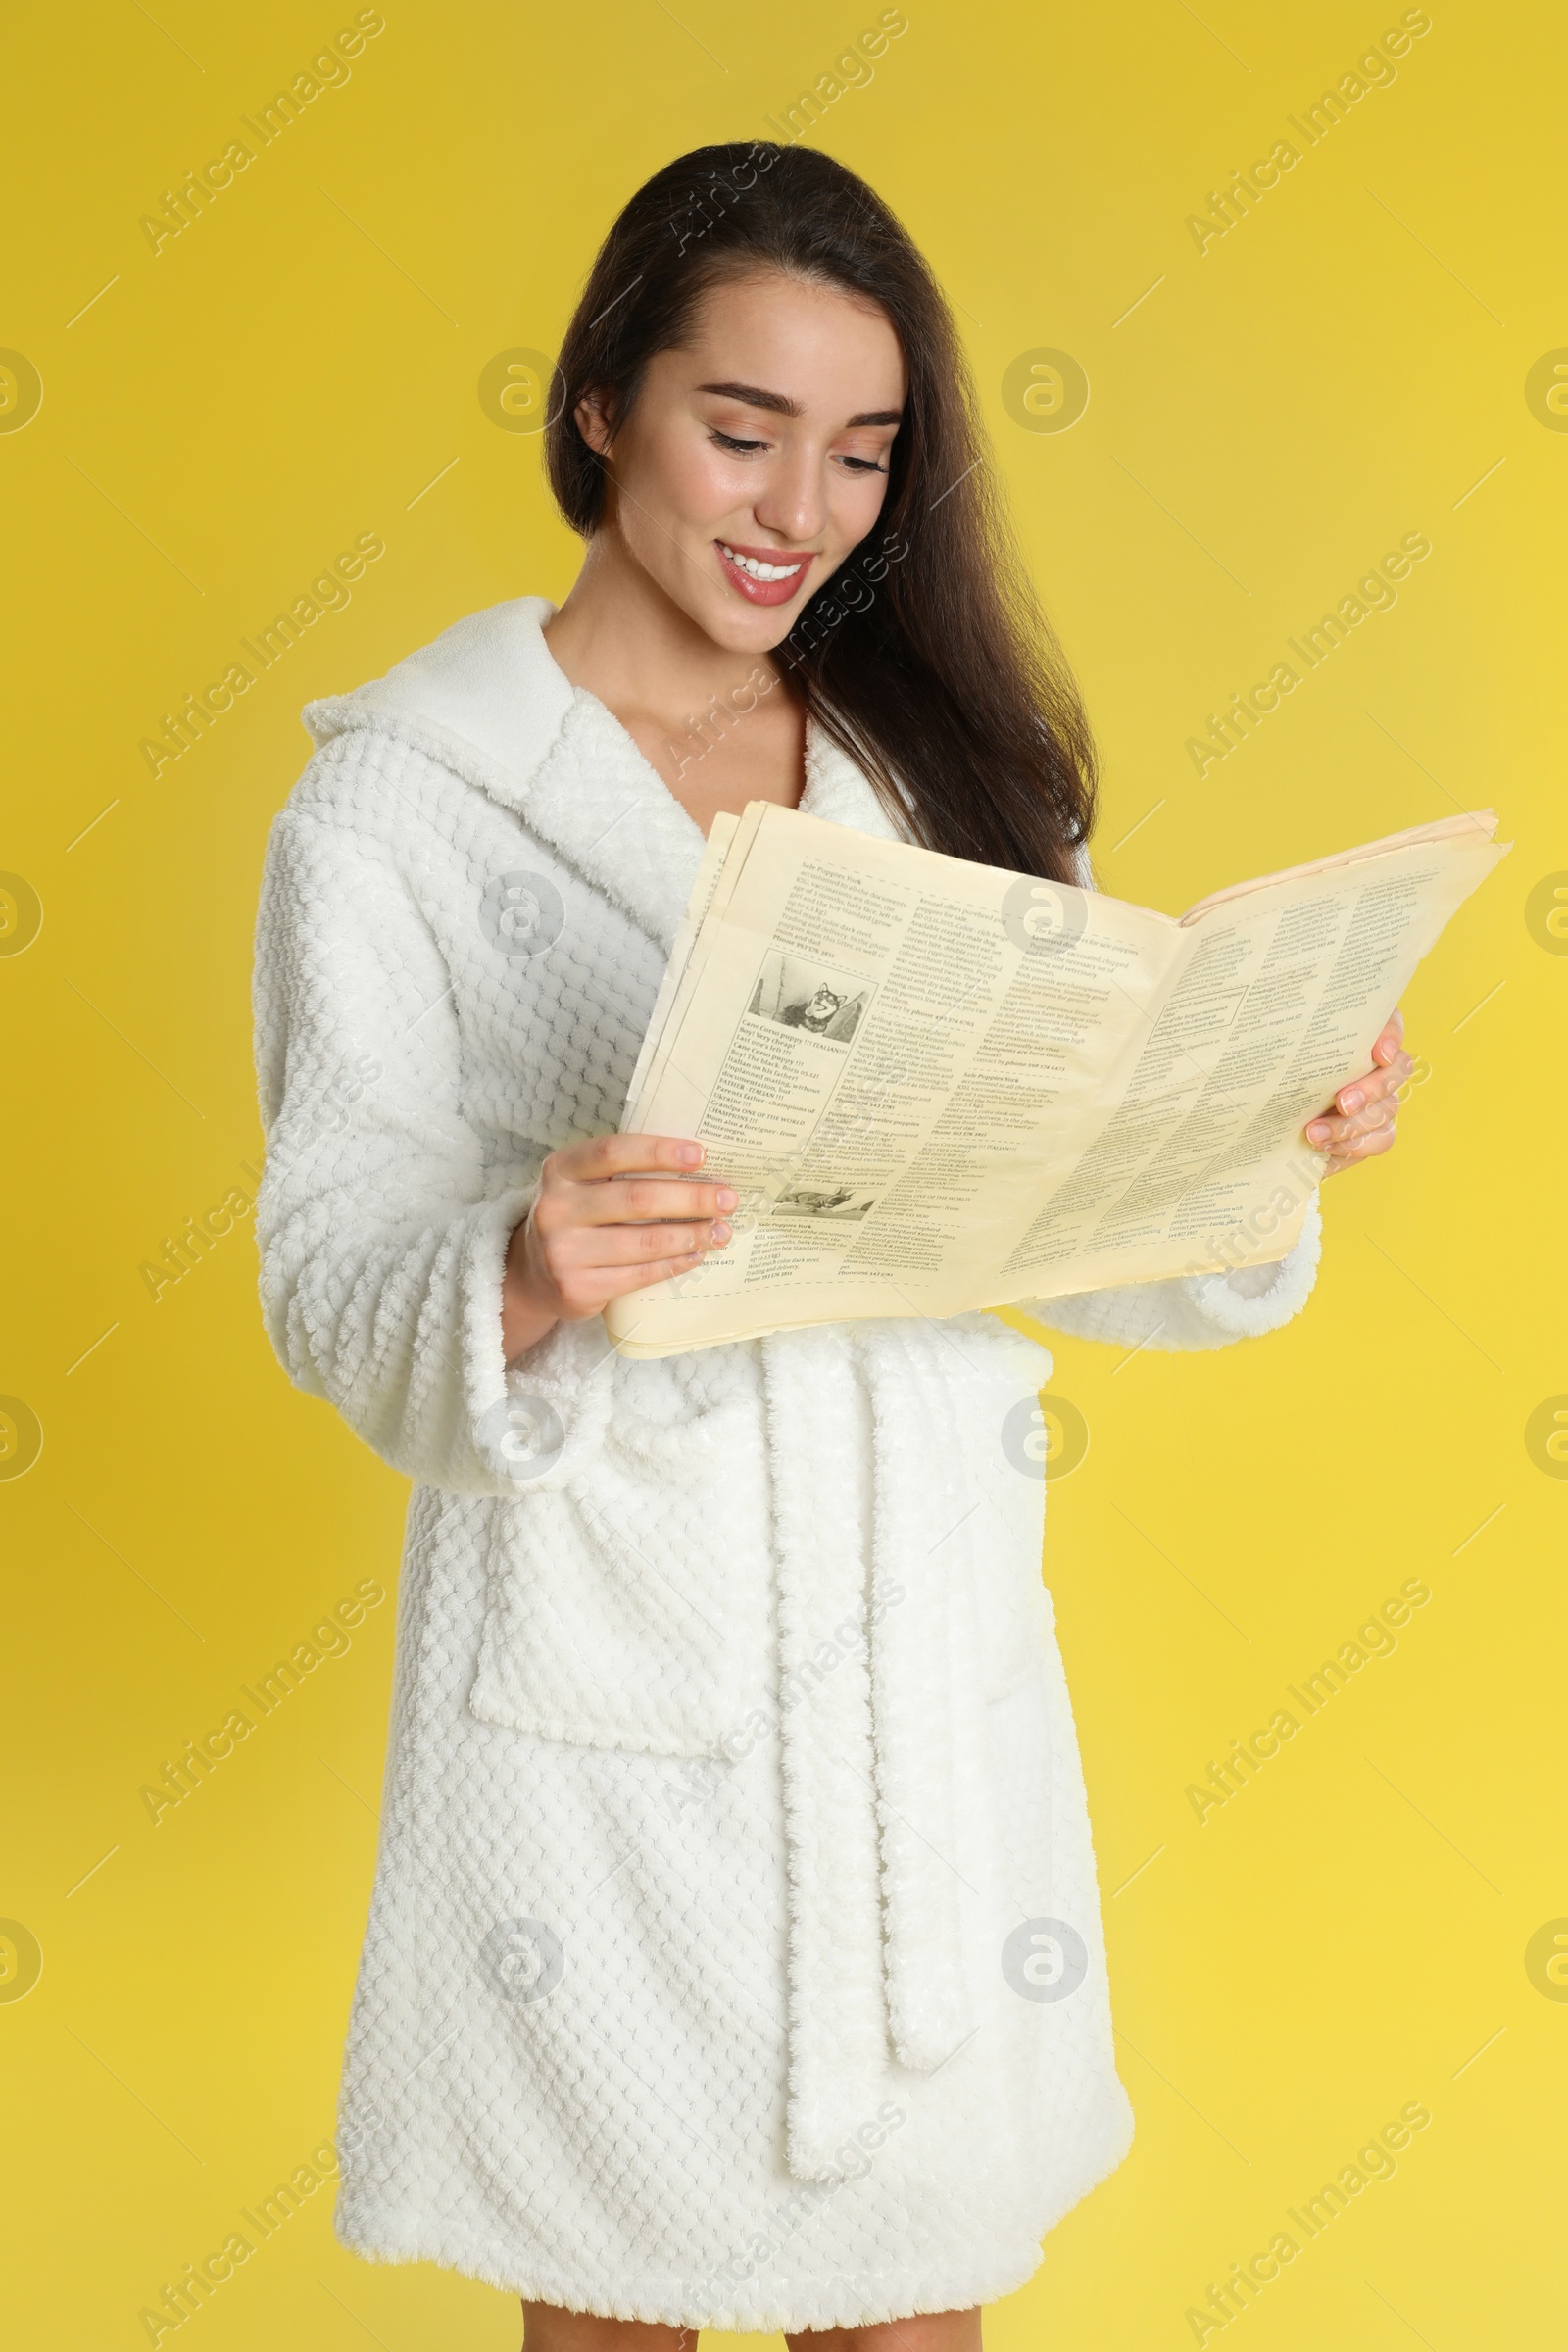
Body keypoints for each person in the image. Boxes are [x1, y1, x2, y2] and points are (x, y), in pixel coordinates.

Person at [251, 141, 1409, 2352]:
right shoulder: (398, 805)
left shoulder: (940, 771)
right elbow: (328, 1262)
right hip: (604, 1683)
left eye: (862, 452)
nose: (800, 508)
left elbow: (1061, 1211)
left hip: (911, 1671)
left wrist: (1250, 1132)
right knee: (608, 2298)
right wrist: (519, 1257)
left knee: (914, 2305)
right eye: (740, 427)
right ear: (602, 405)